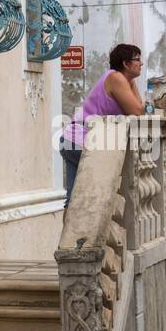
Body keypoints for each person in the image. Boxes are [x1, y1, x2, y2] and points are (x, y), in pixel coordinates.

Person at [59, 44, 147, 208]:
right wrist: (146, 103)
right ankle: (88, 232)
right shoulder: (116, 78)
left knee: (73, 200)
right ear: (126, 63)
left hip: (71, 139)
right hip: (83, 141)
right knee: (100, 193)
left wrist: (132, 81)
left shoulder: (121, 79)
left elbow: (137, 108)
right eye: (137, 60)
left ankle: (71, 233)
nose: (141, 63)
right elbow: (138, 112)